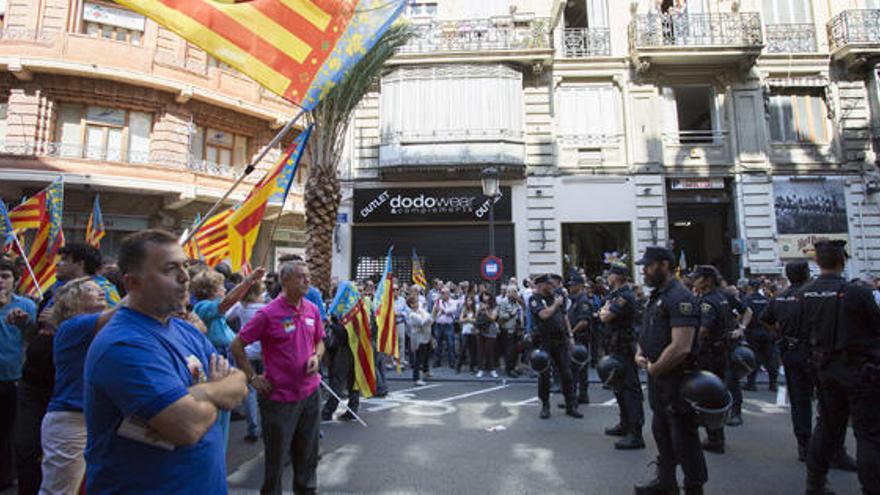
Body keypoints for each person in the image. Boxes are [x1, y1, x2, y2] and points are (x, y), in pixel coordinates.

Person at [84, 229, 248, 494]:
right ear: (132, 283)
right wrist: (216, 392)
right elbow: (187, 426)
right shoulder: (123, 344)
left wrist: (201, 394)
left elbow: (239, 383)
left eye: (184, 265)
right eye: (170, 269)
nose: (185, 277)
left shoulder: (185, 330)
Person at [230, 260, 326, 495]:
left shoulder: (312, 309)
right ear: (285, 281)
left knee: (307, 456)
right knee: (276, 459)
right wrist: (253, 379)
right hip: (279, 399)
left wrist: (316, 356)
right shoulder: (268, 313)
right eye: (300, 277)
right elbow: (237, 345)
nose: (307, 280)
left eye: (308, 276)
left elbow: (320, 341)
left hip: (311, 394)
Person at [800, 240, 880, 495]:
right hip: (859, 370)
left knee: (826, 426)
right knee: (868, 434)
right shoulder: (857, 292)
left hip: (824, 368)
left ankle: (815, 482)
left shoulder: (805, 293)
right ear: (842, 261)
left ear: (816, 262)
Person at [634, 246, 706, 495]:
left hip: (677, 380)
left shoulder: (680, 296)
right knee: (662, 432)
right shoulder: (659, 295)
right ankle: (666, 483)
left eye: (648, 265)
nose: (644, 270)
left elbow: (681, 346)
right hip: (659, 379)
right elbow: (648, 332)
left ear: (664, 265)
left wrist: (654, 368)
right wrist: (640, 353)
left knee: (684, 438)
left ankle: (693, 488)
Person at [40, 278, 117, 494]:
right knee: (60, 491)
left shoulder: (100, 329)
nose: (101, 291)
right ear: (74, 298)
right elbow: (123, 311)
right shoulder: (73, 326)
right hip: (71, 421)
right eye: (91, 289)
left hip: (94, 420)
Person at [191, 266, 265, 450]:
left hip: (225, 361)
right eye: (221, 286)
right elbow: (228, 302)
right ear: (211, 290)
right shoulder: (205, 307)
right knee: (217, 412)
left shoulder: (213, 312)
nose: (224, 289)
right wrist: (248, 282)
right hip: (215, 364)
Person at [598, 263, 645, 450]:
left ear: (617, 276)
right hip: (615, 346)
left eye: (610, 274)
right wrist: (604, 311)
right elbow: (603, 312)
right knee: (618, 387)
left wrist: (604, 311)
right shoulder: (615, 295)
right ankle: (624, 424)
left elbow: (605, 317)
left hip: (625, 348)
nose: (607, 277)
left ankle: (635, 433)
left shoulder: (625, 296)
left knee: (630, 390)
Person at [0, 257, 37, 490]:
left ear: (15, 280)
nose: (0, 281)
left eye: (5, 276)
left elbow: (35, 340)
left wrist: (25, 324)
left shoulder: (26, 305)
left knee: (7, 432)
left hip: (12, 378)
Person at [690, 265, 734, 455]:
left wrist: (690, 348)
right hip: (721, 350)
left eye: (698, 278)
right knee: (716, 392)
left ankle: (715, 438)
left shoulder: (707, 301)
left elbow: (703, 330)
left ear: (707, 280)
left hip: (708, 353)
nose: (694, 280)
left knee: (708, 394)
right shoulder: (723, 296)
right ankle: (717, 436)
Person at [529, 274, 581, 420]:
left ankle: (571, 405)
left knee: (567, 373)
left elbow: (565, 318)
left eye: (552, 283)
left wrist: (570, 336)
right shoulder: (535, 299)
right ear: (540, 286)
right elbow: (544, 314)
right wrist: (556, 305)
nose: (551, 286)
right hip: (545, 341)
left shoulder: (558, 297)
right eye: (548, 284)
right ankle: (545, 406)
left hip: (561, 340)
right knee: (544, 374)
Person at [225, 281, 268, 442]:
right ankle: (266, 427)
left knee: (250, 391)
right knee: (267, 391)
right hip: (263, 353)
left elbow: (225, 317)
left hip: (245, 352)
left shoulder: (240, 306)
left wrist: (232, 335)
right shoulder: (265, 308)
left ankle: (253, 429)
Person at [743, 279, 777, 391]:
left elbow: (743, 313)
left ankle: (751, 384)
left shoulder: (748, 299)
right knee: (770, 358)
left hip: (753, 332)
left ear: (749, 287)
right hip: (767, 332)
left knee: (754, 358)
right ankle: (773, 384)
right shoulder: (766, 300)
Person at [566, 274, 592, 404]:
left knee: (577, 368)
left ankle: (578, 396)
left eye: (572, 285)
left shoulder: (583, 301)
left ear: (579, 285)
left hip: (579, 339)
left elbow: (584, 322)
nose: (570, 287)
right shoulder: (576, 300)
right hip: (576, 339)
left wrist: (571, 332)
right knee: (577, 369)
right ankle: (579, 395)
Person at [407, 296, 433, 386]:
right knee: (418, 358)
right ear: (411, 305)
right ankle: (416, 378)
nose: (417, 304)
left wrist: (426, 317)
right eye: (415, 302)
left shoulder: (420, 311)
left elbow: (430, 318)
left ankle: (426, 371)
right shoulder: (412, 314)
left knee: (427, 354)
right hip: (418, 338)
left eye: (417, 302)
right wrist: (426, 318)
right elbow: (422, 322)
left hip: (426, 336)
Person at [497, 286, 522, 378]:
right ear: (509, 292)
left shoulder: (516, 301)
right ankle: (509, 370)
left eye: (516, 291)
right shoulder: (504, 302)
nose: (516, 293)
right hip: (508, 329)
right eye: (514, 292)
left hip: (516, 329)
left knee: (515, 351)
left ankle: (514, 368)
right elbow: (501, 315)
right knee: (509, 351)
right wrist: (511, 313)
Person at [475, 292, 500, 379]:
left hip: (490, 331)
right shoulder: (479, 305)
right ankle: (480, 370)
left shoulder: (495, 306)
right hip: (481, 330)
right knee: (480, 351)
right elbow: (476, 317)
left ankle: (492, 370)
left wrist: (486, 310)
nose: (485, 297)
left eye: (487, 295)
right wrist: (479, 309)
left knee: (489, 350)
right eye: (483, 296)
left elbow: (493, 318)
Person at [432, 289, 457, 368]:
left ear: (448, 294)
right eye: (442, 293)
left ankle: (452, 362)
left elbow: (453, 310)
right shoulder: (437, 302)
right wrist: (438, 310)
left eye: (444, 293)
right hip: (438, 325)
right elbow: (434, 312)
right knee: (437, 344)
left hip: (448, 326)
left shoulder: (453, 302)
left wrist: (444, 310)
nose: (443, 295)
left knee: (450, 344)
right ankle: (436, 362)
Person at [455, 295, 478, 374]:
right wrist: (468, 319)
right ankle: (458, 367)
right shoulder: (464, 309)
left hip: (473, 331)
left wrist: (471, 320)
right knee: (463, 349)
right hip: (465, 331)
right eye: (468, 301)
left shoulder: (475, 309)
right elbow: (460, 320)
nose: (469, 302)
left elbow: (476, 320)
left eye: (470, 301)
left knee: (472, 351)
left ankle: (472, 368)